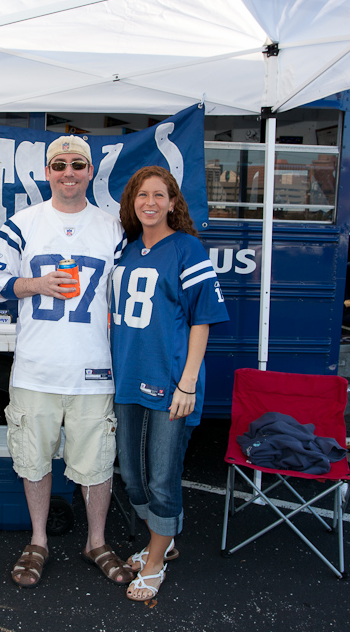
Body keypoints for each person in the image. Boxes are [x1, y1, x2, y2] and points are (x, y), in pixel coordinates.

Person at [0, 135, 129, 589]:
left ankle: (96, 540)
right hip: (36, 367)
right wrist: (37, 285)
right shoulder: (23, 223)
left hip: (94, 368)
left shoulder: (112, 228)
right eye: (59, 165)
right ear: (46, 172)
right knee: (34, 459)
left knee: (97, 462)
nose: (68, 172)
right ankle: (38, 539)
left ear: (91, 171)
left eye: (78, 164)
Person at [108, 165, 229, 602]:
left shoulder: (188, 248)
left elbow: (203, 319)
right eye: (143, 196)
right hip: (128, 379)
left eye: (160, 195)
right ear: (132, 203)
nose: (150, 203)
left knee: (162, 476)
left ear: (173, 203)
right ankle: (165, 535)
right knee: (134, 476)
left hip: (170, 381)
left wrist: (188, 383)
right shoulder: (126, 250)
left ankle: (156, 557)